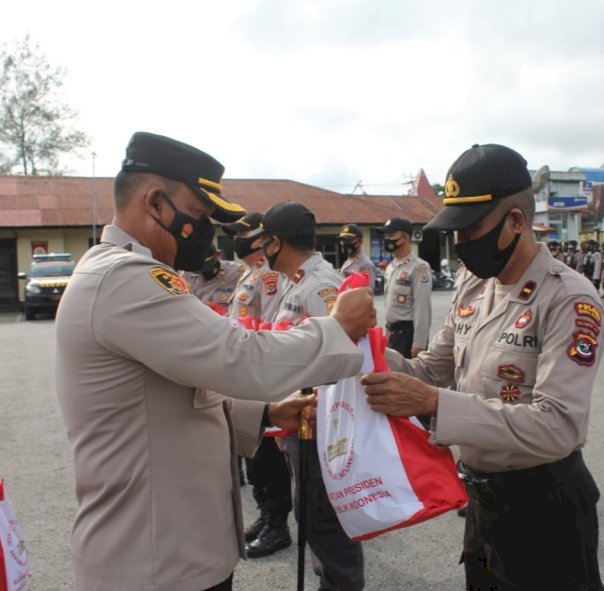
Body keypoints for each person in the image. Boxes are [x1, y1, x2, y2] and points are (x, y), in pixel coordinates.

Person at [54, 132, 375, 591]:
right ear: (156, 203)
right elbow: (240, 358)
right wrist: (338, 328)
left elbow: (169, 394)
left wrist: (263, 412)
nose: (207, 231)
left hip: (167, 550)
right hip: (154, 563)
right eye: (201, 215)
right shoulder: (126, 280)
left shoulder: (126, 274)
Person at [363, 143, 604, 590]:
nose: (461, 243)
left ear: (516, 221)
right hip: (482, 499)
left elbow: (558, 426)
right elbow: (434, 368)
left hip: (543, 504)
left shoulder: (568, 299)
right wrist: (365, 352)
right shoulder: (476, 285)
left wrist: (435, 404)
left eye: (471, 229)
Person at [245, 201, 366, 591]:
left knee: (324, 519)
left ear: (276, 242)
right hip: (295, 420)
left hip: (319, 425)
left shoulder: (321, 286)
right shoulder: (293, 281)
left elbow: (343, 356)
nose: (262, 250)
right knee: (311, 517)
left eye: (264, 242)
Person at [222, 212, 293, 557]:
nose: (236, 240)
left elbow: (272, 323)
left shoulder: (271, 275)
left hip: (260, 370)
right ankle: (266, 515)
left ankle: (278, 524)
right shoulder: (249, 272)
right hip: (242, 371)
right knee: (253, 453)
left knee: (268, 454)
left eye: (241, 234)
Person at [381, 217, 432, 358]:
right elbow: (389, 304)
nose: (387, 239)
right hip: (392, 334)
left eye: (391, 235)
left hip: (407, 335)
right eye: (386, 236)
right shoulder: (391, 266)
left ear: (405, 238)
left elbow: (422, 308)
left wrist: (419, 343)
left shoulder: (419, 267)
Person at [182, 243, 244, 315]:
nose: (203, 272)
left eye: (206, 267)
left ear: (218, 254)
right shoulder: (187, 274)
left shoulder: (237, 273)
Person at [337, 223, 377, 291]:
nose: (344, 244)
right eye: (343, 241)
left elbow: (366, 294)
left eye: (348, 240)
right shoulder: (347, 262)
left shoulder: (365, 265)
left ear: (360, 242)